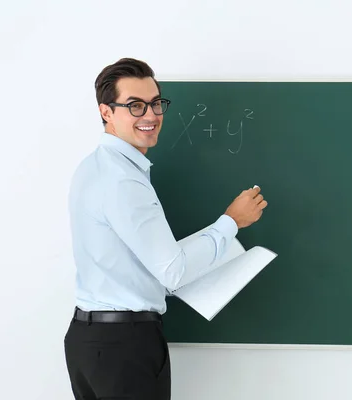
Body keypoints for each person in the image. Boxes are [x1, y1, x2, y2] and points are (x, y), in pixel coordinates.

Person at [63, 57, 267, 400]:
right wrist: (232, 222)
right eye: (135, 105)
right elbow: (173, 271)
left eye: (156, 103)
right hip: (123, 348)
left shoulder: (94, 167)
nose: (151, 115)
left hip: (90, 341)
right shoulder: (122, 180)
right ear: (106, 112)